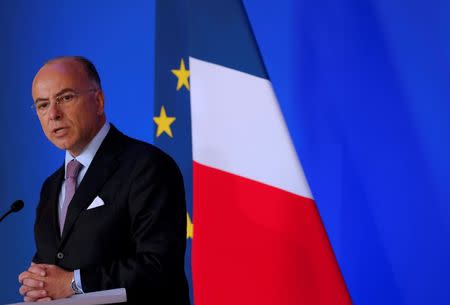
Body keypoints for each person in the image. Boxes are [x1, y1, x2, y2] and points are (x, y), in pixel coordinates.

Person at [17, 56, 190, 304]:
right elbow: (56, 265)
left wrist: (73, 283)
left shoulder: (147, 166)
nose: (53, 114)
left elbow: (158, 266)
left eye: (65, 98)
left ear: (98, 101)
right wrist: (38, 284)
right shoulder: (51, 187)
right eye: (43, 105)